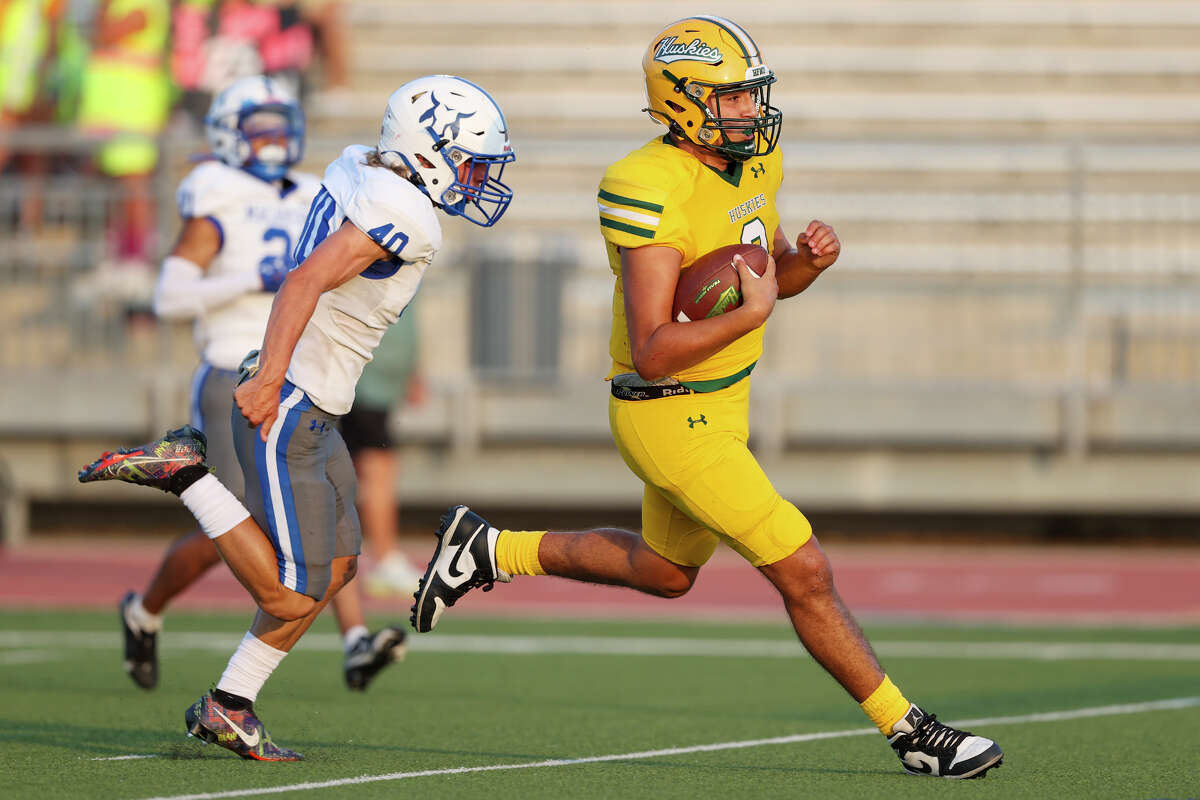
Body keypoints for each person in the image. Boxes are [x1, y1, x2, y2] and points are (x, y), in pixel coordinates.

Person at [409, 16, 1003, 781]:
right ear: (682, 101)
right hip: (669, 412)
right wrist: (755, 311)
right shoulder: (645, 183)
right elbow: (655, 350)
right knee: (804, 569)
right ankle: (912, 731)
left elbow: (766, 279)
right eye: (731, 99)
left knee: (666, 571)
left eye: (752, 97)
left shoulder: (756, 162)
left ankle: (488, 548)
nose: (750, 112)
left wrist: (806, 269)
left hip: (724, 400)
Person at [79, 73, 515, 761]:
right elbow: (304, 279)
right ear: (427, 151)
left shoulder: (358, 165)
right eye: (468, 160)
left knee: (340, 569)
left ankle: (229, 704)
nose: (475, 178)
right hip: (298, 400)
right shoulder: (408, 214)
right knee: (290, 593)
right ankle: (186, 474)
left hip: (320, 402)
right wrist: (275, 374)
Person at [113, 75, 407, 698]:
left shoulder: (311, 189)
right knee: (256, 521)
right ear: (229, 133)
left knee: (324, 518)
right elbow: (168, 296)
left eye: (281, 125)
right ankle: (149, 606)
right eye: (260, 127)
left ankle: (350, 642)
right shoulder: (217, 190)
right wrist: (250, 276)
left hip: (300, 377)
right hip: (237, 371)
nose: (274, 138)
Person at [340, 308, 426, 598]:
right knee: (378, 469)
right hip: (365, 381)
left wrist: (411, 371)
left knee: (362, 470)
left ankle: (372, 557)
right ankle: (385, 559)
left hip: (380, 383)